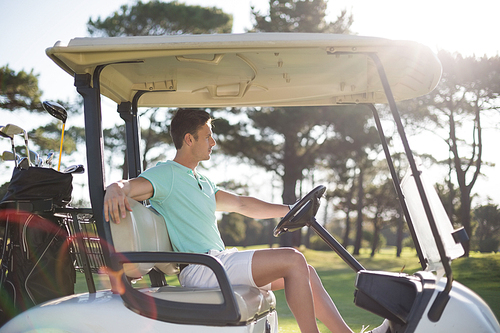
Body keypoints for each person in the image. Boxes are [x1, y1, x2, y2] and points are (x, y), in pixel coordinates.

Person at [104, 108, 389, 333]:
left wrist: (290, 207)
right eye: (207, 136)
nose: (213, 142)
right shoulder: (166, 173)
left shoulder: (200, 179)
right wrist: (115, 188)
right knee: (293, 259)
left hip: (219, 262)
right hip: (203, 268)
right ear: (188, 139)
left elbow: (242, 204)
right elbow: (129, 186)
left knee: (308, 272)